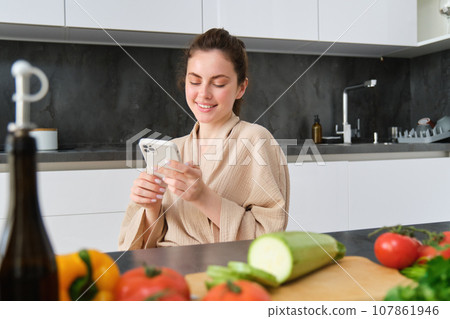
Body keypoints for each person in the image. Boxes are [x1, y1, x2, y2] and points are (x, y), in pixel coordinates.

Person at [118, 28, 290, 250]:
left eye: (218, 83)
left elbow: (269, 240)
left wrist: (203, 198)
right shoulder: (173, 148)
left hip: (224, 274)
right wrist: (152, 208)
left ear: (241, 88)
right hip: (167, 273)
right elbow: (139, 248)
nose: (203, 94)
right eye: (195, 81)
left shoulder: (256, 140)